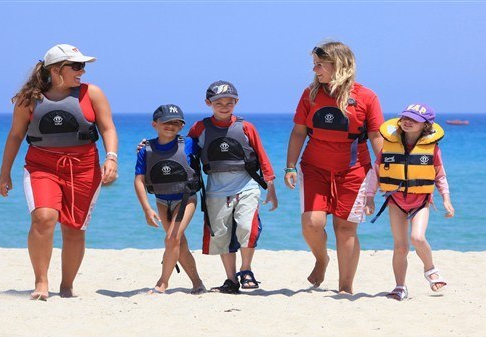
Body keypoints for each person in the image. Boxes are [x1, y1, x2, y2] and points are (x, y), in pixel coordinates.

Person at [0, 44, 118, 300]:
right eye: (76, 66)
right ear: (55, 69)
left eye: (83, 66)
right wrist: (4, 173)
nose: (82, 71)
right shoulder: (29, 99)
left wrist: (111, 158)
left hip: (83, 168)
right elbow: (16, 135)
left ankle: (66, 286)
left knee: (74, 229)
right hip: (42, 166)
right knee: (44, 218)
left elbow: (107, 128)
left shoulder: (92, 93)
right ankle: (41, 283)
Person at [284, 41, 384, 294]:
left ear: (338, 65)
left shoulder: (366, 96)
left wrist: (384, 169)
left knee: (346, 227)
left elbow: (375, 136)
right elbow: (298, 132)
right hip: (315, 167)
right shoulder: (310, 95)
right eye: (314, 64)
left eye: (320, 65)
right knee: (312, 222)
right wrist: (290, 167)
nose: (315, 70)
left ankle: (345, 286)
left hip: (354, 170)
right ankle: (321, 259)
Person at [188, 80, 278, 294]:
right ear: (208, 102)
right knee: (221, 234)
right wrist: (149, 147)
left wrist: (271, 186)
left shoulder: (246, 127)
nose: (224, 106)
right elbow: (184, 151)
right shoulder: (200, 128)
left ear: (236, 102)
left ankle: (246, 270)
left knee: (248, 226)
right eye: (219, 102)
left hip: (246, 184)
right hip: (216, 188)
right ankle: (231, 280)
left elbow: (262, 156)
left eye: (230, 102)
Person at [365, 103, 455, 301]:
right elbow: (376, 172)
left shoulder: (432, 149)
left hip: (420, 200)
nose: (407, 121)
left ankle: (430, 269)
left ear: (425, 125)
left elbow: (440, 176)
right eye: (405, 117)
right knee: (400, 247)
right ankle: (400, 286)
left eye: (414, 120)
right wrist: (369, 197)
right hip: (395, 200)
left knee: (417, 238)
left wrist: (446, 199)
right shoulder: (389, 145)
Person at [133, 104, 206, 295]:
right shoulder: (145, 150)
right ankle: (197, 283)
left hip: (186, 198)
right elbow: (139, 181)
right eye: (166, 122)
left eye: (176, 123)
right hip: (161, 200)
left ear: (182, 126)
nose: (171, 126)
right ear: (154, 124)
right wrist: (147, 209)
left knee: (171, 238)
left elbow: (213, 147)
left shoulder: (189, 144)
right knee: (177, 242)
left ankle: (162, 283)